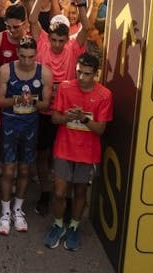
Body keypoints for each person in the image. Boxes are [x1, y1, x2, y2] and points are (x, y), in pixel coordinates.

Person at [44, 52, 111, 251]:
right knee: (59, 192)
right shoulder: (65, 87)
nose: (81, 77)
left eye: (87, 74)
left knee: (81, 191)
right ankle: (58, 225)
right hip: (64, 149)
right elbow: (54, 119)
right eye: (79, 72)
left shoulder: (104, 95)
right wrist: (66, 117)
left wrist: (83, 118)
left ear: (95, 74)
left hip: (87, 152)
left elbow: (100, 129)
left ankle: (73, 227)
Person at [0, 37, 52, 235]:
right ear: (17, 53)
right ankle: (5, 211)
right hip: (10, 123)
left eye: (30, 57)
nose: (27, 61)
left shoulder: (44, 73)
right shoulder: (5, 71)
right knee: (8, 170)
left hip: (30, 125)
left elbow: (46, 104)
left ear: (36, 54)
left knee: (25, 170)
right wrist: (19, 99)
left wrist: (32, 102)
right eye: (22, 56)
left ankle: (17, 210)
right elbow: (0, 102)